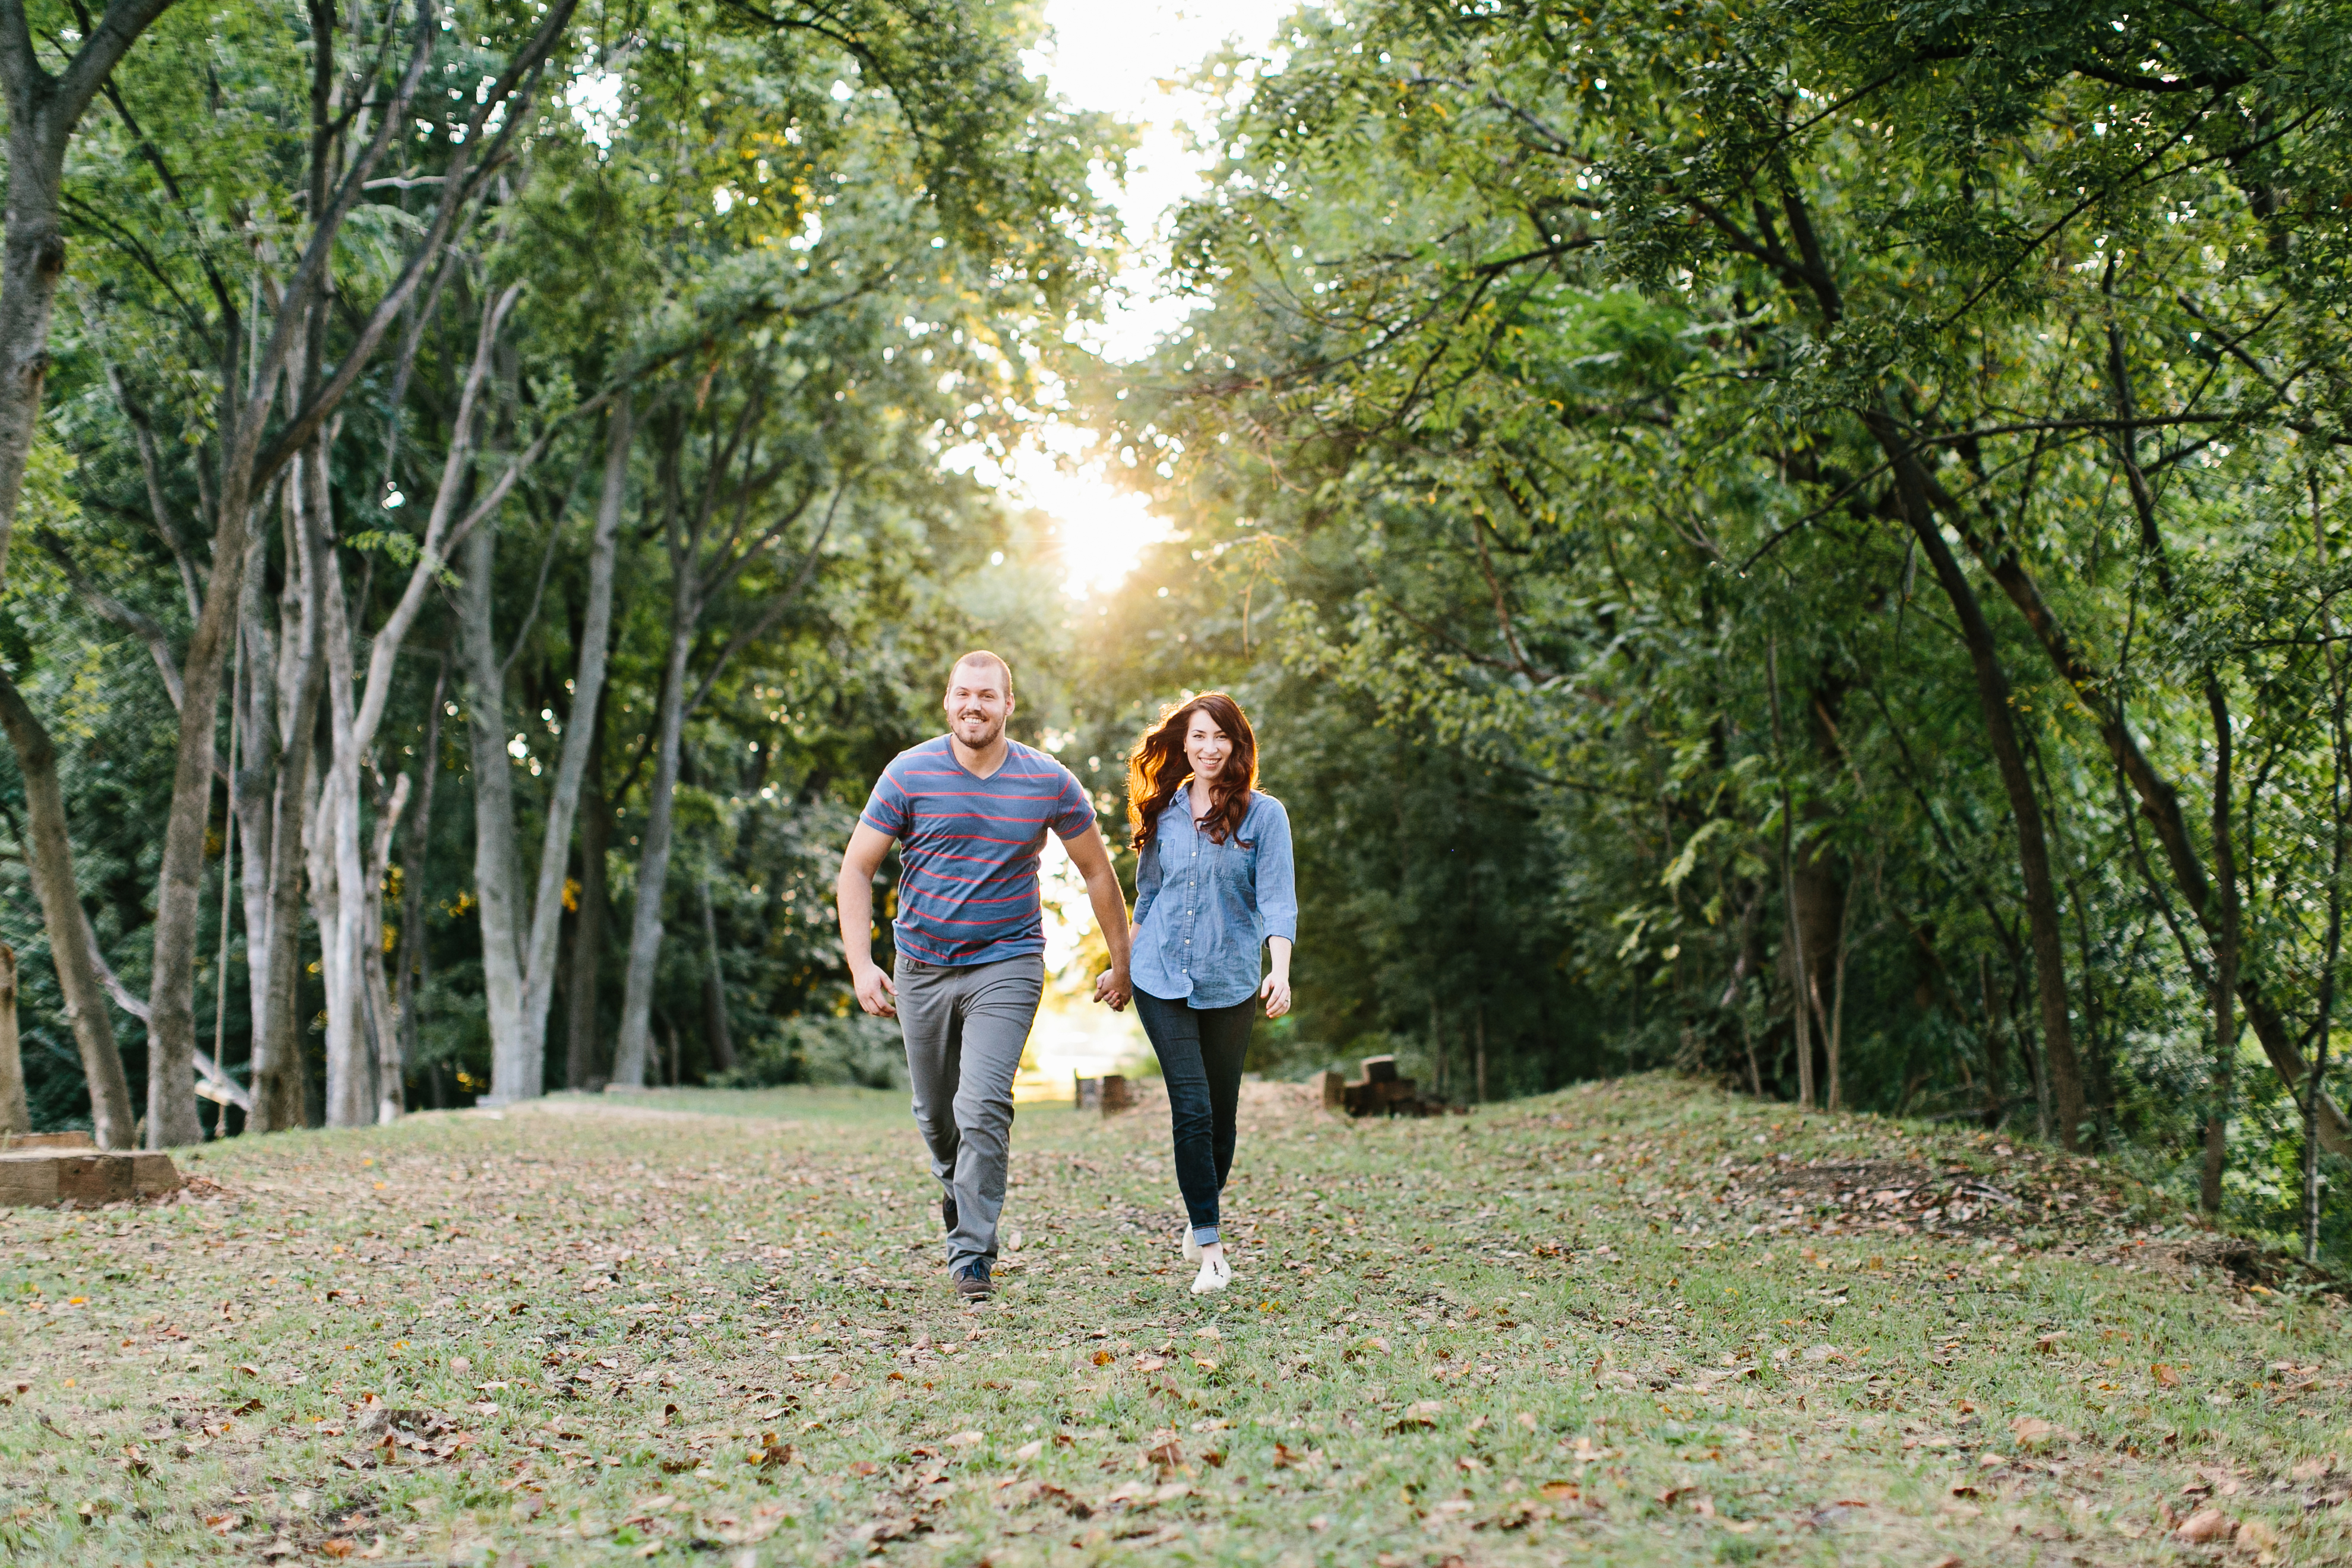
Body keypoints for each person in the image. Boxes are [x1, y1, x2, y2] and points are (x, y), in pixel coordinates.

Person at [836, 651, 1133, 1301]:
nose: (974, 706)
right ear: (948, 701)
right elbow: (857, 868)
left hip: (1008, 961)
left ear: (1008, 705)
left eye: (987, 696)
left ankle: (973, 1255)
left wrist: (1123, 960)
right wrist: (861, 964)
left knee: (983, 1107)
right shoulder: (908, 773)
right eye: (963, 694)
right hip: (921, 966)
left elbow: (1096, 872)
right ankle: (958, 1192)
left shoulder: (1048, 781)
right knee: (937, 1117)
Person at [1124, 692, 1295, 1295]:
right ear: (1183, 742)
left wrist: (1280, 969)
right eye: (1198, 736)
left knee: (1221, 1119)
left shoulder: (1265, 816)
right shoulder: (1164, 811)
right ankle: (1212, 1248)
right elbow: (1147, 896)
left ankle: (1203, 1210)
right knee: (1191, 1109)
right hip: (1159, 974)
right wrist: (1121, 966)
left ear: (1237, 743)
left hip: (1229, 981)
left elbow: (1277, 898)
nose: (1208, 747)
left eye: (1220, 736)